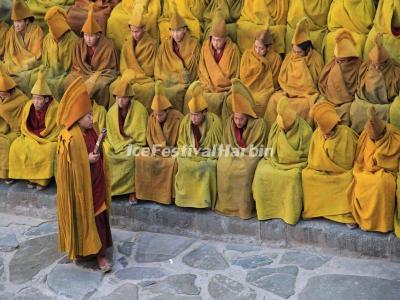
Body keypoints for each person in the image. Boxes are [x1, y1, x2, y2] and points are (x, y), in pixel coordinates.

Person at [56, 76, 113, 272]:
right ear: (78, 117)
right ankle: (85, 251)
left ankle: (101, 254)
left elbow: (97, 152)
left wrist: (97, 154)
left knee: (99, 218)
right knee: (84, 216)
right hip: (80, 189)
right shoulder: (69, 138)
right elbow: (66, 168)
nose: (92, 119)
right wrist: (86, 160)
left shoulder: (91, 130)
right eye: (88, 116)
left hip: (96, 183)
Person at [253, 96, 312, 224]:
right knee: (261, 172)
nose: (285, 130)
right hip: (275, 161)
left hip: (296, 164)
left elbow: (306, 154)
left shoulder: (305, 130)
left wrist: (289, 157)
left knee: (292, 177)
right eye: (283, 128)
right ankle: (266, 211)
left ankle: (289, 214)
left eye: (288, 128)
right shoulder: (276, 127)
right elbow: (270, 149)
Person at [215, 79, 267, 219]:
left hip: (250, 155)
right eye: (236, 118)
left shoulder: (259, 124)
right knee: (223, 166)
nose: (238, 122)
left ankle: (244, 210)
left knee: (244, 169)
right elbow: (226, 144)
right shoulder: (229, 123)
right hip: (233, 153)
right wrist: (232, 153)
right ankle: (226, 207)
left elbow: (257, 147)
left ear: (248, 116)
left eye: (241, 119)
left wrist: (242, 154)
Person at [302, 102, 358, 227]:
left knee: (349, 179)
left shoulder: (347, 134)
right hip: (321, 171)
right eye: (324, 132)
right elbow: (313, 160)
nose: (326, 134)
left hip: (341, 173)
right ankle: (317, 211)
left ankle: (344, 216)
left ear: (335, 125)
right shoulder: (317, 134)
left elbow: (348, 162)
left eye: (329, 131)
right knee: (307, 176)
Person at [265, 17, 324, 132]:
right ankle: (273, 133)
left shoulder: (316, 59)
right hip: (287, 92)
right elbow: (282, 77)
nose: (295, 54)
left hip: (305, 96)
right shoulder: (290, 55)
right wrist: (287, 90)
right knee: (273, 99)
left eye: (299, 52)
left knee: (306, 107)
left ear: (307, 49)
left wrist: (302, 66)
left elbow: (316, 82)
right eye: (294, 51)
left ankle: (301, 134)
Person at [351, 107, 400, 233]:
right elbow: (360, 158)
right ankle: (365, 221)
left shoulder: (394, 135)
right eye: (372, 139)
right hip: (367, 170)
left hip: (388, 172)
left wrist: (379, 159)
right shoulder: (365, 135)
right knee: (361, 184)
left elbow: (394, 162)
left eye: (376, 138)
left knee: (381, 184)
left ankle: (382, 224)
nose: (373, 141)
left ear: (383, 131)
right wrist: (370, 165)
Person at [9, 69, 59, 190]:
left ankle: (42, 181)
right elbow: (24, 125)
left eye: (39, 99)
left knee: (48, 150)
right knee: (17, 146)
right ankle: (30, 178)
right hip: (30, 135)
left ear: (46, 99)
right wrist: (30, 135)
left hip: (48, 138)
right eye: (34, 98)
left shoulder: (55, 108)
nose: (35, 102)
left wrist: (43, 137)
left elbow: (56, 129)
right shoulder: (29, 106)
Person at [175, 81, 222, 209]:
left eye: (197, 115)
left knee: (208, 167)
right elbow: (181, 144)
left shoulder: (215, 122)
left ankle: (204, 202)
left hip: (208, 157)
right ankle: (185, 201)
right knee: (183, 164)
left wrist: (204, 153)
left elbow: (217, 148)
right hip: (191, 155)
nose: (193, 119)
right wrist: (192, 151)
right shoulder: (186, 122)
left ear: (204, 112)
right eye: (191, 114)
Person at [135, 81, 183, 204]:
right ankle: (146, 195)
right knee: (140, 157)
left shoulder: (177, 117)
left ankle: (168, 197)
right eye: (155, 114)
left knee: (172, 163)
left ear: (167, 110)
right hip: (155, 150)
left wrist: (169, 150)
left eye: (160, 115)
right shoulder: (152, 118)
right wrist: (156, 149)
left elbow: (181, 140)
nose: (157, 117)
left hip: (173, 150)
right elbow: (149, 138)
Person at [64, 3, 118, 108]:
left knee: (100, 86)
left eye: (91, 36)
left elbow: (110, 69)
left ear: (98, 34)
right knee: (68, 81)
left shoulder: (108, 46)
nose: (88, 39)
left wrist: (93, 77)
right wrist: (85, 75)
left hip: (102, 74)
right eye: (85, 35)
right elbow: (77, 66)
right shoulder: (79, 44)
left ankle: (97, 110)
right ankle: (75, 109)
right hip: (83, 72)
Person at [104, 79, 148, 204]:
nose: (120, 101)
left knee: (131, 157)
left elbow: (141, 135)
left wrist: (127, 144)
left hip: (134, 143)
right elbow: (111, 133)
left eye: (124, 98)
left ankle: (132, 191)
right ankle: (110, 190)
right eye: (117, 98)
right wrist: (119, 145)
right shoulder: (112, 111)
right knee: (106, 153)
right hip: (117, 143)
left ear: (130, 98)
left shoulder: (139, 110)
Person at [109, 4, 158, 111]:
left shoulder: (151, 44)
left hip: (143, 79)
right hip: (128, 75)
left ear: (144, 28)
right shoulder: (127, 42)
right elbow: (123, 65)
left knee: (147, 91)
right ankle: (115, 116)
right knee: (113, 86)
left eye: (137, 31)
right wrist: (128, 75)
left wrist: (133, 76)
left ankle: (141, 116)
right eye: (132, 31)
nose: (134, 34)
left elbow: (149, 69)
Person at [350, 34, 400, 133]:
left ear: (386, 61)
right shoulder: (365, 66)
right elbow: (358, 85)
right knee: (354, 109)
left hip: (384, 108)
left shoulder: (395, 71)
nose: (376, 68)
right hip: (363, 105)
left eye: (380, 65)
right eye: (374, 64)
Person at [154, 10, 200, 112]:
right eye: (173, 31)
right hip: (169, 80)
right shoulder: (165, 46)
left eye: (178, 31)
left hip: (185, 82)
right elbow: (159, 67)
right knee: (160, 92)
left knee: (173, 94)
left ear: (184, 30)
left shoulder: (193, 44)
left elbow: (196, 67)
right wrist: (169, 78)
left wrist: (182, 78)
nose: (175, 34)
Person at [194, 14, 241, 116]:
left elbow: (234, 72)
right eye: (213, 39)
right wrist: (208, 84)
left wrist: (220, 85)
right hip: (208, 85)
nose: (215, 43)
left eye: (218, 40)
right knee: (193, 93)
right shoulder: (206, 47)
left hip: (226, 87)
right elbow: (202, 70)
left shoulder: (233, 49)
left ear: (225, 38)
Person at [319, 29, 362, 126]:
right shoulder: (333, 63)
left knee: (347, 112)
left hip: (347, 102)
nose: (339, 62)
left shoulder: (357, 65)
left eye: (343, 60)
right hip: (329, 99)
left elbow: (359, 86)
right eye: (338, 60)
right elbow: (323, 81)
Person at [4, 0, 44, 96]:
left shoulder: (36, 32)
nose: (16, 25)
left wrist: (22, 67)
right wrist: (12, 65)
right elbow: (8, 55)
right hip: (13, 65)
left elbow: (36, 57)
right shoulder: (11, 32)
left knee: (32, 76)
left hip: (31, 66)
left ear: (26, 21)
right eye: (14, 21)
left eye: (19, 21)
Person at [239, 29, 282, 117]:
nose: (257, 51)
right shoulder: (247, 54)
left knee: (260, 103)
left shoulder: (275, 59)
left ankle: (259, 126)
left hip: (264, 91)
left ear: (268, 47)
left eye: (261, 48)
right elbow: (242, 75)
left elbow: (274, 81)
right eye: (256, 47)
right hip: (247, 87)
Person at [0, 66, 29, 185]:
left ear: (11, 91)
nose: (1, 97)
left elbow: (24, 119)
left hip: (16, 130)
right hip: (2, 128)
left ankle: (7, 174)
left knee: (5, 143)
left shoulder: (21, 100)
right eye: (0, 95)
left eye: (4, 95)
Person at [42, 6, 78, 101]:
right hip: (50, 72)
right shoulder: (47, 39)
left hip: (67, 74)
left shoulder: (73, 40)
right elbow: (45, 63)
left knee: (64, 84)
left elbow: (76, 66)